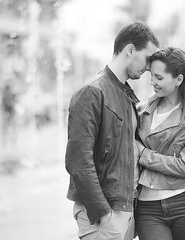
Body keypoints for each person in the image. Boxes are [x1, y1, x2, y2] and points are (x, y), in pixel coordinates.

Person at [65, 21, 160, 240]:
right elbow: (78, 162)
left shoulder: (125, 93)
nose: (148, 68)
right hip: (104, 215)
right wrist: (104, 215)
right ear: (130, 50)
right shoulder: (92, 92)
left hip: (123, 210)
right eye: (147, 58)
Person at [135, 47, 185, 240]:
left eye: (159, 78)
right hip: (148, 207)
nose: (152, 82)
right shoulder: (141, 110)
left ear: (179, 79)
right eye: (151, 76)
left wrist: (142, 154)